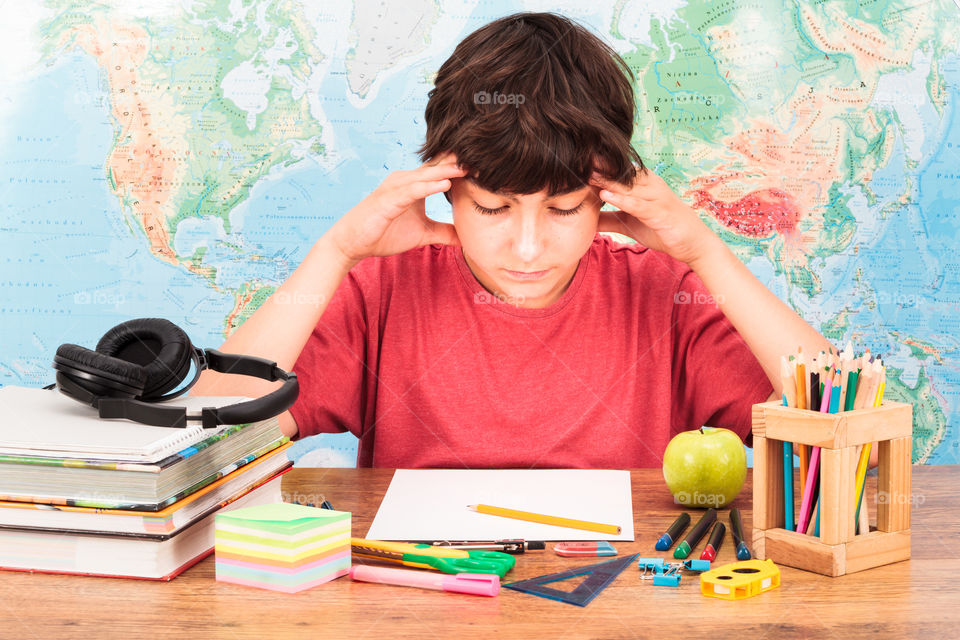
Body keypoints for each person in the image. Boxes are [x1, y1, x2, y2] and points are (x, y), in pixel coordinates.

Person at [193, 12, 838, 468]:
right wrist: (334, 253)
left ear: (606, 199)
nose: (527, 250)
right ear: (445, 190)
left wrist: (706, 255)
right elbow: (205, 437)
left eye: (563, 209)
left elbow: (836, 434)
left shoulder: (665, 294)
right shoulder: (382, 291)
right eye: (494, 208)